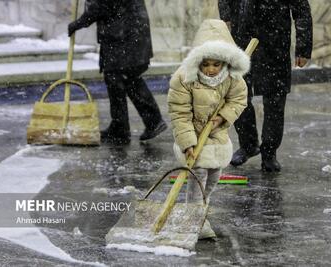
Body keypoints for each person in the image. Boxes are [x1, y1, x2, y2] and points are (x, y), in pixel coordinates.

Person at [168, 19, 249, 239]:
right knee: (198, 176)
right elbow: (179, 112)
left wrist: (222, 117)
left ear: (225, 62)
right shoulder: (184, 78)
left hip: (218, 137)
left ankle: (200, 208)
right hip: (193, 137)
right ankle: (194, 220)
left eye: (216, 64)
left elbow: (239, 100)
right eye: (206, 64)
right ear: (198, 60)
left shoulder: (233, 79)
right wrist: (187, 144)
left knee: (213, 176)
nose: (211, 69)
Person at [218, 0, 313, 171]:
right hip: (242, 37)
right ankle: (248, 144)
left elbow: (301, 10)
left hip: (275, 40)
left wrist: (303, 48)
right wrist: (225, 16)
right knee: (238, 94)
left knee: (275, 99)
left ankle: (269, 152)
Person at [68, 0, 167, 144]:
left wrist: (79, 23)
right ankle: (124, 126)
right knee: (120, 78)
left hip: (124, 35)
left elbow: (102, 5)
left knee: (123, 77)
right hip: (125, 33)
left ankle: (147, 122)